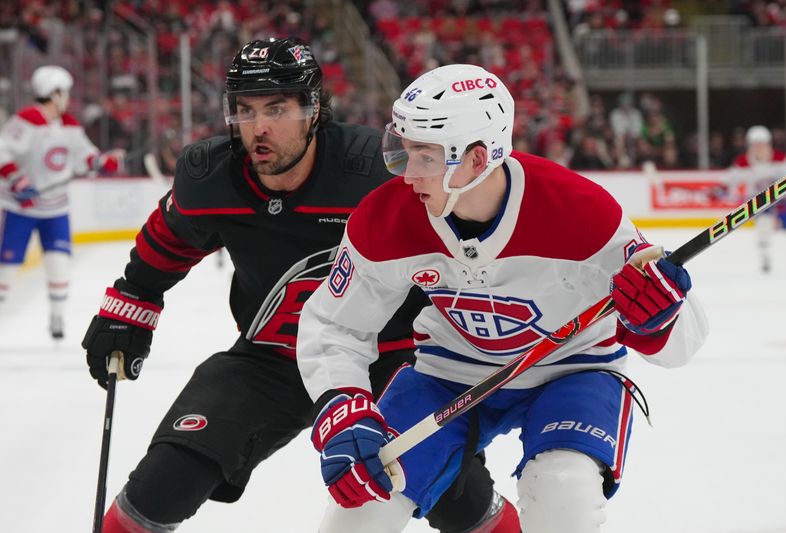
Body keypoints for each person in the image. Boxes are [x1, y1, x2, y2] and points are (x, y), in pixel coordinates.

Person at [81, 39, 519, 533]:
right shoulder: (212, 178)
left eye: (277, 108)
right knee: (162, 483)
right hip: (271, 359)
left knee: (460, 502)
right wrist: (132, 301)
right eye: (245, 110)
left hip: (390, 362)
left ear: (314, 111)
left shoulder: (378, 174)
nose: (258, 128)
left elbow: (467, 239)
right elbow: (170, 238)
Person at [296, 64, 710, 533]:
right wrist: (343, 407)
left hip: (573, 368)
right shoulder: (385, 217)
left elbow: (683, 344)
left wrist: (658, 316)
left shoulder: (580, 212)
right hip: (449, 372)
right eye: (404, 151)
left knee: (562, 494)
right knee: (359, 515)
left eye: (426, 157)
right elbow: (335, 324)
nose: (408, 174)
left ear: (476, 159)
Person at [0, 65, 122, 339]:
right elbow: (3, 150)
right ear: (54, 93)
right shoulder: (27, 120)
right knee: (6, 272)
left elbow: (85, 156)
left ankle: (56, 319)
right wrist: (16, 179)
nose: (67, 98)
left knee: (59, 264)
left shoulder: (69, 125)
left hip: (55, 207)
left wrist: (103, 161)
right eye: (64, 92)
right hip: (21, 207)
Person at [728, 124, 786, 273]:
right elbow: (731, 180)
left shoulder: (781, 158)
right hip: (759, 202)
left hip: (781, 200)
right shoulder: (742, 162)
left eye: (762, 144)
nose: (759, 147)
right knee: (763, 228)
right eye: (755, 144)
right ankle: (765, 259)